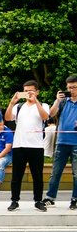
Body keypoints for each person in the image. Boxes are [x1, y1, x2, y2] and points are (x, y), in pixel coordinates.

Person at [5, 80, 50, 212]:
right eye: (26, 90)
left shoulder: (43, 105)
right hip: (19, 144)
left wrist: (35, 101)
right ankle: (14, 200)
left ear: (37, 92)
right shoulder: (18, 107)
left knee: (37, 176)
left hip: (36, 145)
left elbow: (45, 117)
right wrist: (12, 102)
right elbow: (7, 118)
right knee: (16, 176)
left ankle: (38, 201)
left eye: (31, 90)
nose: (28, 93)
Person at [44, 75, 77, 210]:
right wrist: (57, 101)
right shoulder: (63, 102)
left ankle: (75, 198)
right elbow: (50, 115)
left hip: (76, 142)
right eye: (69, 87)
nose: (72, 90)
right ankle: (50, 198)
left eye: (74, 87)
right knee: (55, 171)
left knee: (76, 173)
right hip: (62, 141)